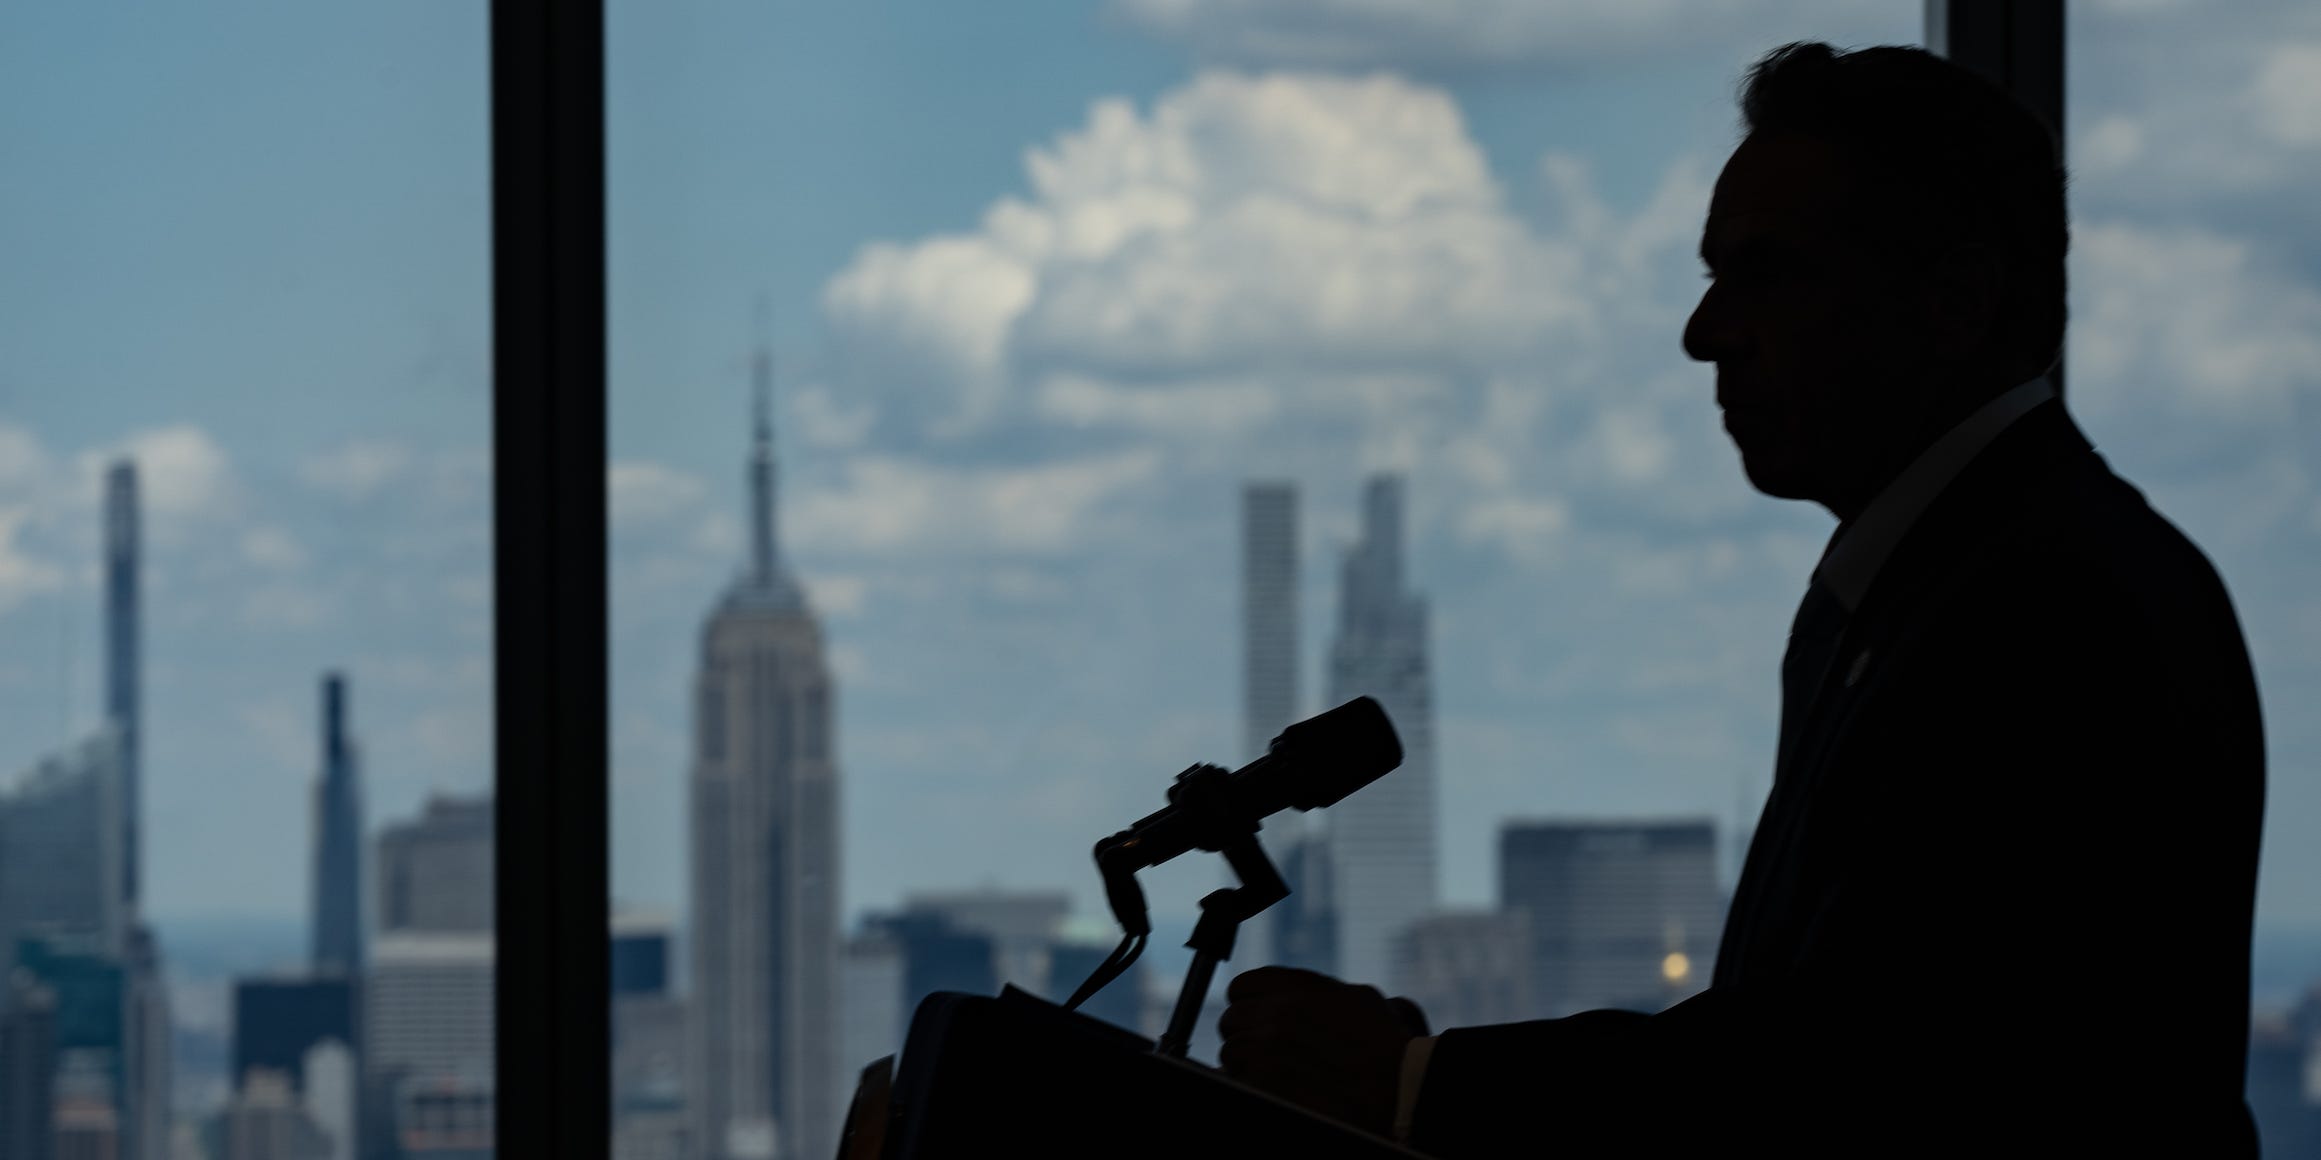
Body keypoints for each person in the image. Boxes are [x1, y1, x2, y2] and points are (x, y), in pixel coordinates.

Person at [1216, 42, 2265, 1157]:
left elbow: (1853, 1080)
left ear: (1951, 299)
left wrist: (1417, 1080)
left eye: (1762, 273)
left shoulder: (2054, 612)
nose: (1700, 332)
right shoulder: (1947, 587)